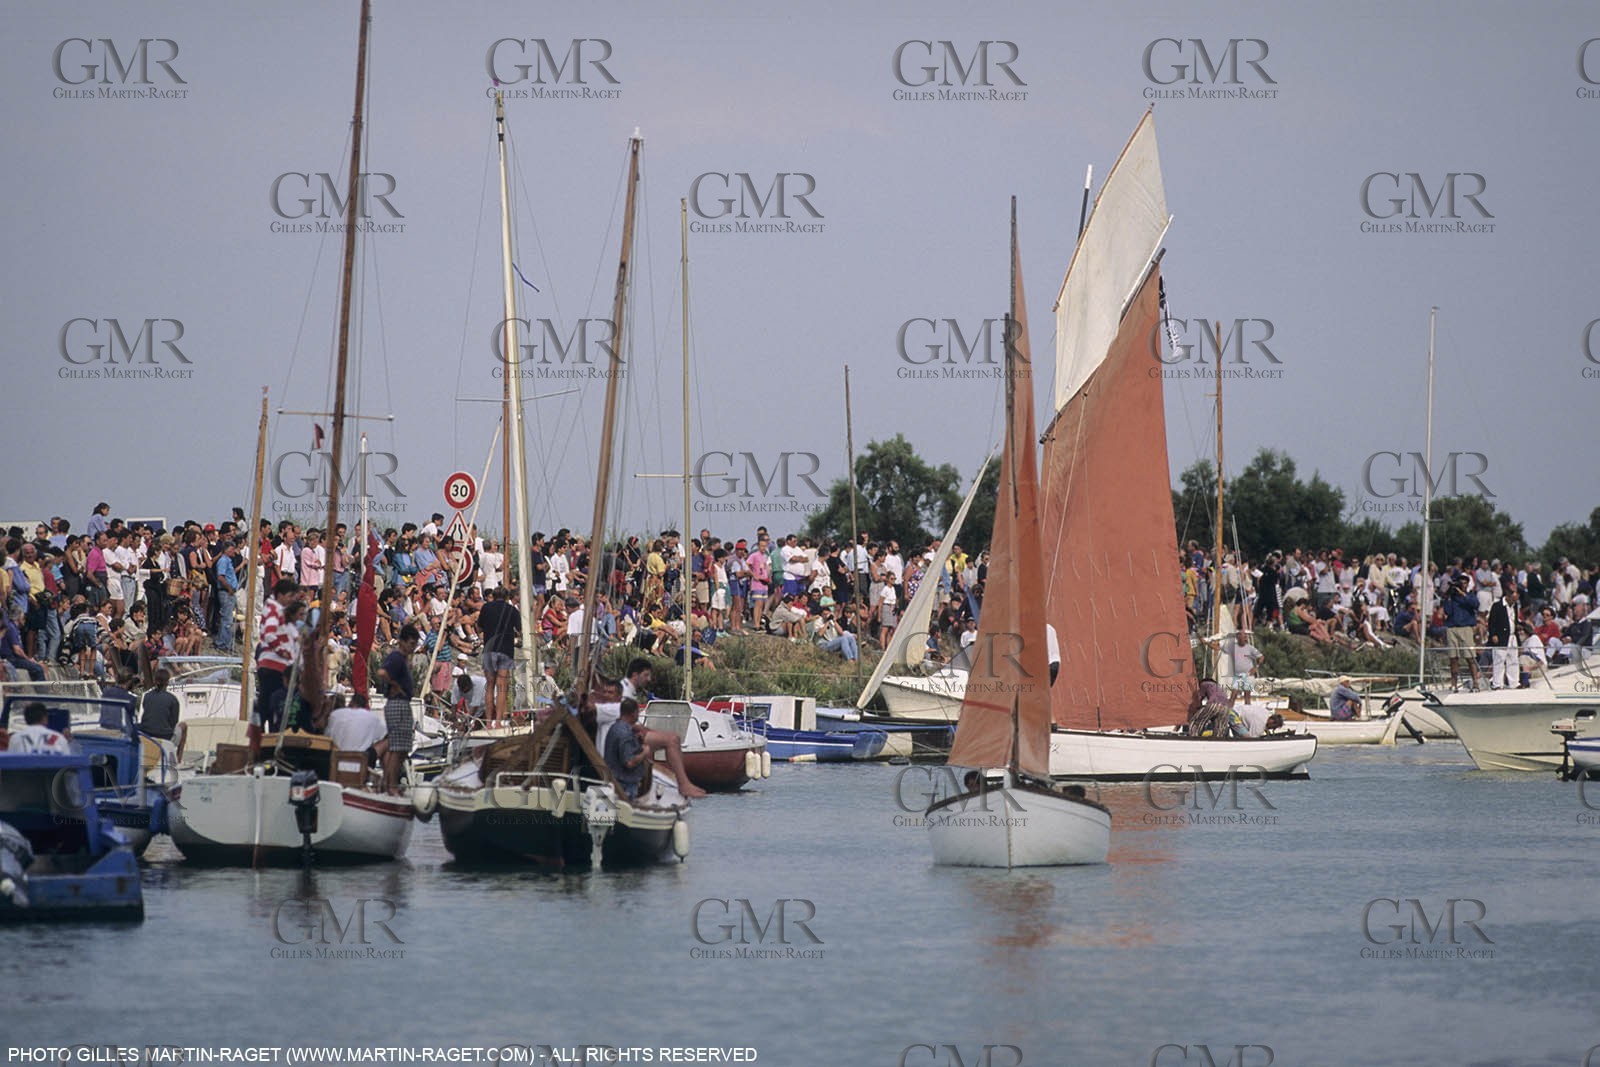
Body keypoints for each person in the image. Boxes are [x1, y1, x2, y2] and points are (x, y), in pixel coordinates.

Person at [252, 579, 301, 739]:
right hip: (274, 665)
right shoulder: (275, 609)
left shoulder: (280, 611)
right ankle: (264, 737)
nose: (292, 599)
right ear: (280, 595)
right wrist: (283, 652)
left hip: (277, 665)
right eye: (290, 596)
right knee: (269, 703)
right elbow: (269, 633)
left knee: (271, 704)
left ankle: (268, 735)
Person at [378, 624, 420, 794]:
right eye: (411, 643)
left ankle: (388, 784)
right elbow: (382, 672)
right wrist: (394, 684)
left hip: (402, 704)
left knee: (400, 749)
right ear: (402, 642)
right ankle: (391, 786)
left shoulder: (402, 659)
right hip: (398, 703)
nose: (413, 647)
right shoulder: (396, 657)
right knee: (397, 749)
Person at [477, 586, 519, 726]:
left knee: (490, 686)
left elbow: (479, 627)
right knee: (502, 687)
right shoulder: (512, 610)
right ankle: (499, 722)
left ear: (493, 596)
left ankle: (489, 722)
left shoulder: (486, 608)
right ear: (507, 597)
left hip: (489, 649)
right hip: (505, 649)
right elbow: (519, 629)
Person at [603, 697, 651, 800]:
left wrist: (637, 740)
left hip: (613, 780)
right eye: (638, 712)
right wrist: (645, 753)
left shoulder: (615, 727)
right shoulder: (625, 733)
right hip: (624, 785)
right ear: (633, 713)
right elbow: (629, 762)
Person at [1442, 575, 1483, 691]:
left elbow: (1475, 605)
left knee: (1470, 657)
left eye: (1465, 583)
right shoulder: (1452, 598)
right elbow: (1447, 611)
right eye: (1461, 583)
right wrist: (1449, 595)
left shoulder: (1470, 596)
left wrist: (1462, 594)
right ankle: (1454, 683)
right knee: (1453, 658)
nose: (1462, 585)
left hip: (1466, 628)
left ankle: (1475, 682)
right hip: (1452, 628)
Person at [327, 695, 388, 767]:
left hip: (335, 759)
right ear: (365, 706)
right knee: (388, 740)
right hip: (361, 760)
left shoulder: (335, 714)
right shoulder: (372, 717)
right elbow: (385, 734)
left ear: (350, 703)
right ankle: (388, 775)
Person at [1486, 581, 1518, 690]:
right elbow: (1491, 622)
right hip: (1501, 636)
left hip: (1512, 637)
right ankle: (1497, 684)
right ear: (1508, 594)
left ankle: (1514, 682)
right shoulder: (1497, 606)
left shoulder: (1515, 606)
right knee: (1499, 659)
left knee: (1513, 659)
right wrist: (1493, 634)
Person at [139, 668, 180, 741]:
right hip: (164, 735)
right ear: (167, 682)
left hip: (146, 732)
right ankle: (178, 752)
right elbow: (174, 721)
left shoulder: (147, 696)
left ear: (155, 681)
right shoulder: (172, 699)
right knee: (183, 726)